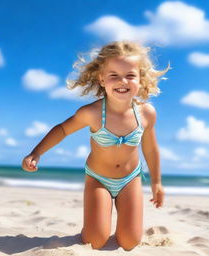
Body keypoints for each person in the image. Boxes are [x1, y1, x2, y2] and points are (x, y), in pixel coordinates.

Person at [22, 41, 170, 251]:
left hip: (130, 180)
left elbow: (150, 148)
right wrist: (36, 153)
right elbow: (62, 130)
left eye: (130, 75)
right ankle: (92, 225)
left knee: (129, 242)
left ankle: (122, 223)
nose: (122, 81)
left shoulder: (146, 113)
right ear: (101, 79)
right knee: (95, 241)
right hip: (98, 180)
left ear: (140, 78)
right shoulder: (91, 113)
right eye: (114, 75)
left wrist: (156, 182)